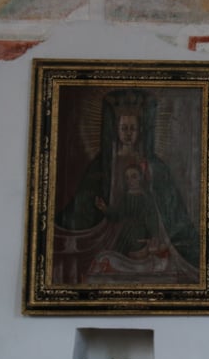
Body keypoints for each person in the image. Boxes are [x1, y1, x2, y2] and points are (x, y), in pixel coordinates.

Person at [53, 89, 200, 284]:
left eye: (133, 128)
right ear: (116, 129)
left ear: (140, 130)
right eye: (124, 128)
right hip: (108, 235)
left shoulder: (154, 165)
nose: (128, 134)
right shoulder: (103, 163)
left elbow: (168, 205)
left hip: (143, 235)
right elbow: (84, 200)